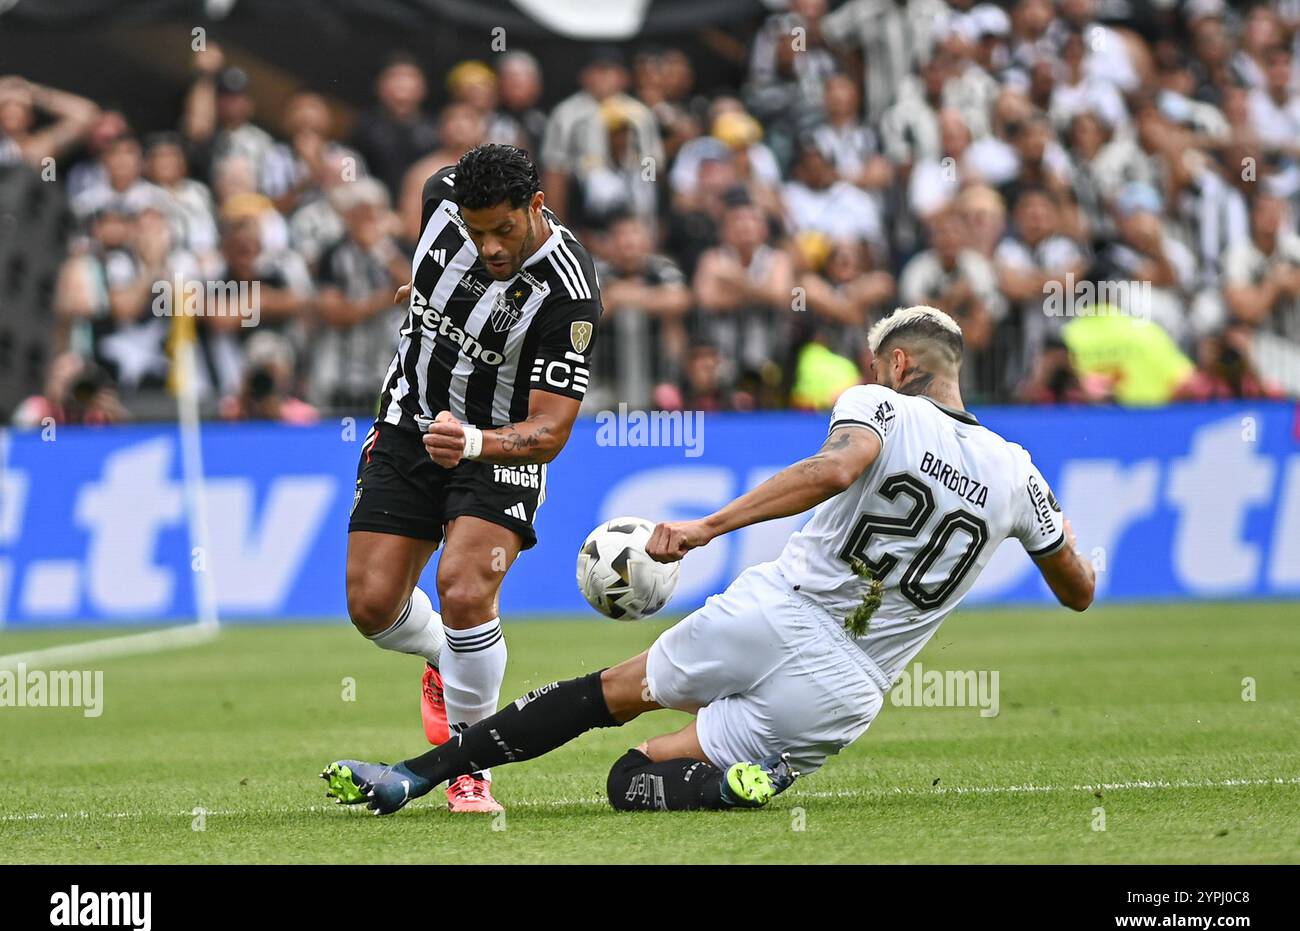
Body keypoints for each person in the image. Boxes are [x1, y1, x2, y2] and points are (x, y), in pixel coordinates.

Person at [322, 305, 1096, 816]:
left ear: (896, 363)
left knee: (608, 707)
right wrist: (1041, 532)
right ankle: (734, 784)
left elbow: (833, 469)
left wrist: (706, 528)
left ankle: (419, 772)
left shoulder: (879, 406)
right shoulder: (1017, 471)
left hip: (779, 612)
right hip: (850, 691)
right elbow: (1078, 590)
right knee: (644, 774)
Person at [343, 143, 601, 813]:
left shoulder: (568, 293)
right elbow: (438, 268)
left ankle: (468, 763)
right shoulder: (439, 196)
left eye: (503, 230)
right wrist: (422, 295)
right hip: (409, 420)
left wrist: (477, 442)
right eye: (474, 229)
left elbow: (551, 431)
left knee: (462, 587)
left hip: (500, 444)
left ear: (535, 206)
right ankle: (442, 658)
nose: (488, 246)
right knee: (371, 605)